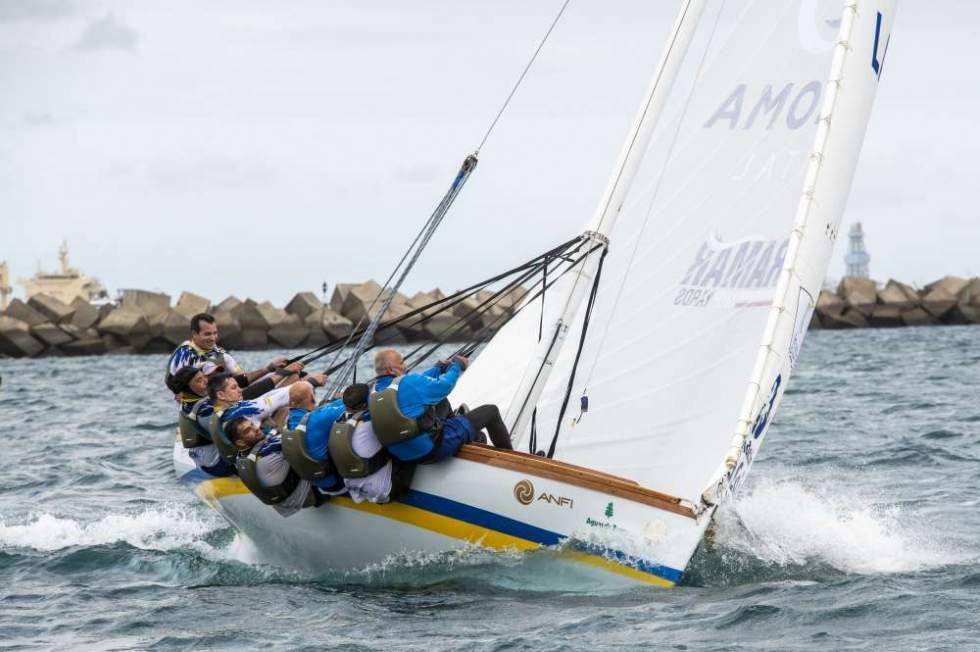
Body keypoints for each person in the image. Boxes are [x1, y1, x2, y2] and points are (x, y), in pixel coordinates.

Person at [370, 349, 513, 463]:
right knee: (491, 411)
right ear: (390, 370)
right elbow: (445, 386)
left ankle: (461, 426)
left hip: (402, 454)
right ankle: (510, 463)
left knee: (440, 402)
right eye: (401, 363)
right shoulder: (409, 382)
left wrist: (437, 369)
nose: (405, 366)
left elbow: (414, 384)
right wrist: (457, 366)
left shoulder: (373, 393)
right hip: (430, 450)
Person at [165, 312, 290, 408]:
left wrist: (270, 368)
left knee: (291, 376)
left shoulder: (219, 353)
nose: (213, 338)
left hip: (223, 398)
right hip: (202, 407)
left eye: (215, 333)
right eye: (207, 334)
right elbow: (175, 385)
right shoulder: (185, 353)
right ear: (194, 334)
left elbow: (243, 378)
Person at [331, 383, 415, 504]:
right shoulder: (373, 423)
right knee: (407, 445)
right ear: (366, 403)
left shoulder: (337, 423)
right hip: (384, 492)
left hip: (353, 489)